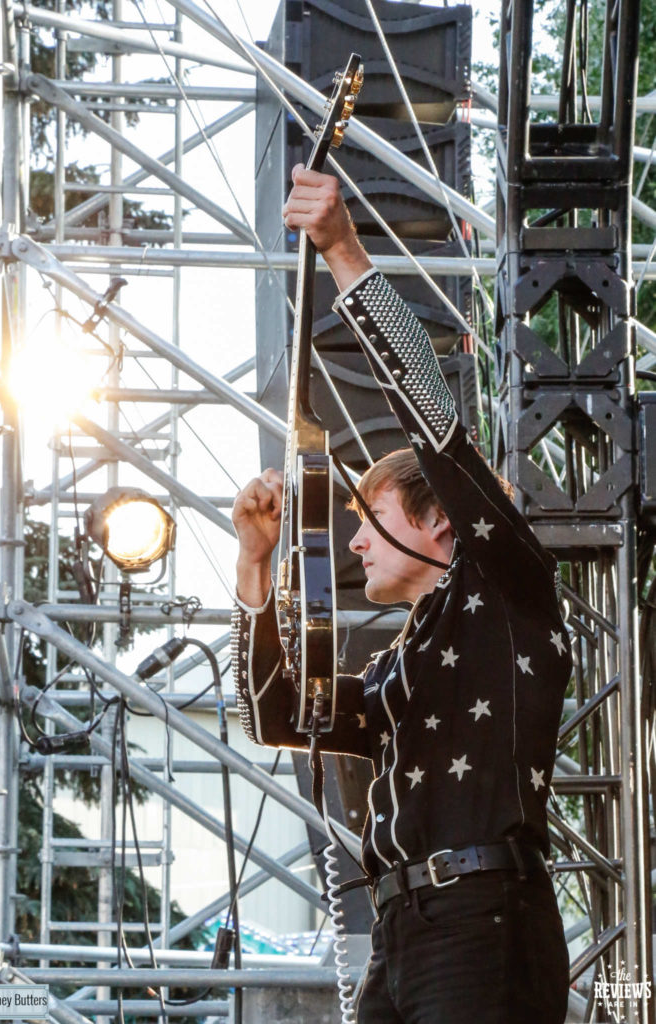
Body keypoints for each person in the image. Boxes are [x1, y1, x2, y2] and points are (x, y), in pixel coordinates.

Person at [231, 165, 571, 1024]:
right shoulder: (399, 663)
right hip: (405, 928)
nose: (350, 542)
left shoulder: (499, 585)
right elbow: (283, 716)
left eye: (369, 516)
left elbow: (433, 425)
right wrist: (253, 567)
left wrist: (342, 249)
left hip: (481, 920)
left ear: (440, 523)